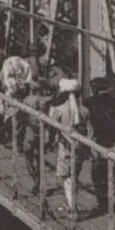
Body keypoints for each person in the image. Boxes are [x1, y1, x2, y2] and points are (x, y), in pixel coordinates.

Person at [83, 76, 115, 214]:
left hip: (99, 141)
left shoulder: (89, 102)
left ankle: (103, 203)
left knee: (98, 174)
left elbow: (88, 124)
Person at [47, 79, 86, 220]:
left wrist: (49, 142)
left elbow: (51, 127)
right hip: (80, 148)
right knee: (74, 176)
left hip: (66, 147)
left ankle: (72, 208)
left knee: (67, 177)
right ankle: (71, 203)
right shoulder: (84, 110)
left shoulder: (59, 109)